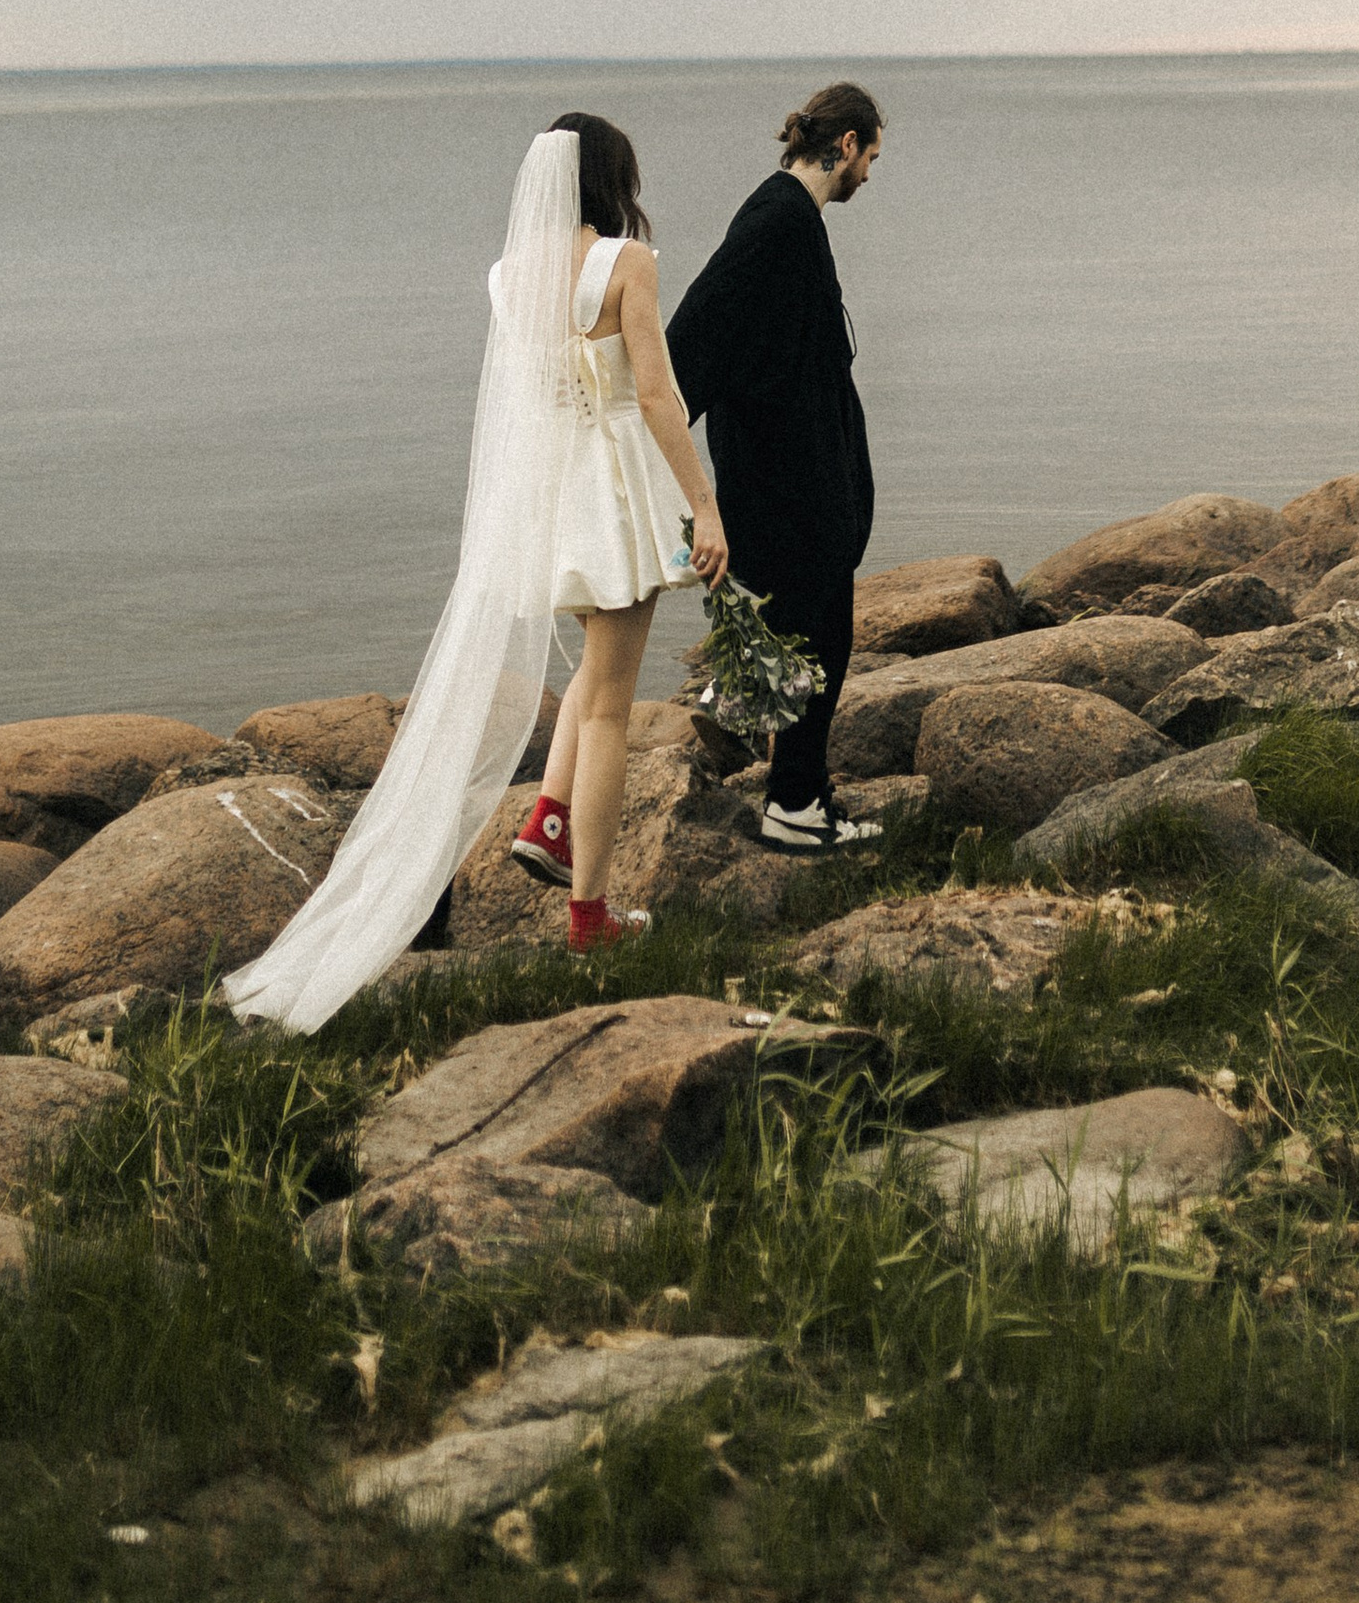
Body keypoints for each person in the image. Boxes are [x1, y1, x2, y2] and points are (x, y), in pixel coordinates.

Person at [225, 111, 727, 1028]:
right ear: (612, 178)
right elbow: (656, 394)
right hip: (615, 494)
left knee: (593, 671)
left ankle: (545, 817)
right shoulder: (626, 264)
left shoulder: (508, 277)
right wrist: (706, 502)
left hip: (548, 502)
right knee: (613, 699)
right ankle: (590, 915)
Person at [668, 82, 885, 856]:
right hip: (788, 493)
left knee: (822, 636)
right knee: (819, 640)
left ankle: (801, 796)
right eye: (873, 157)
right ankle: (792, 801)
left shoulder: (792, 220)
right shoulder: (777, 222)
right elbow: (691, 342)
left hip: (803, 489)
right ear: (848, 144)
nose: (871, 175)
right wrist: (688, 488)